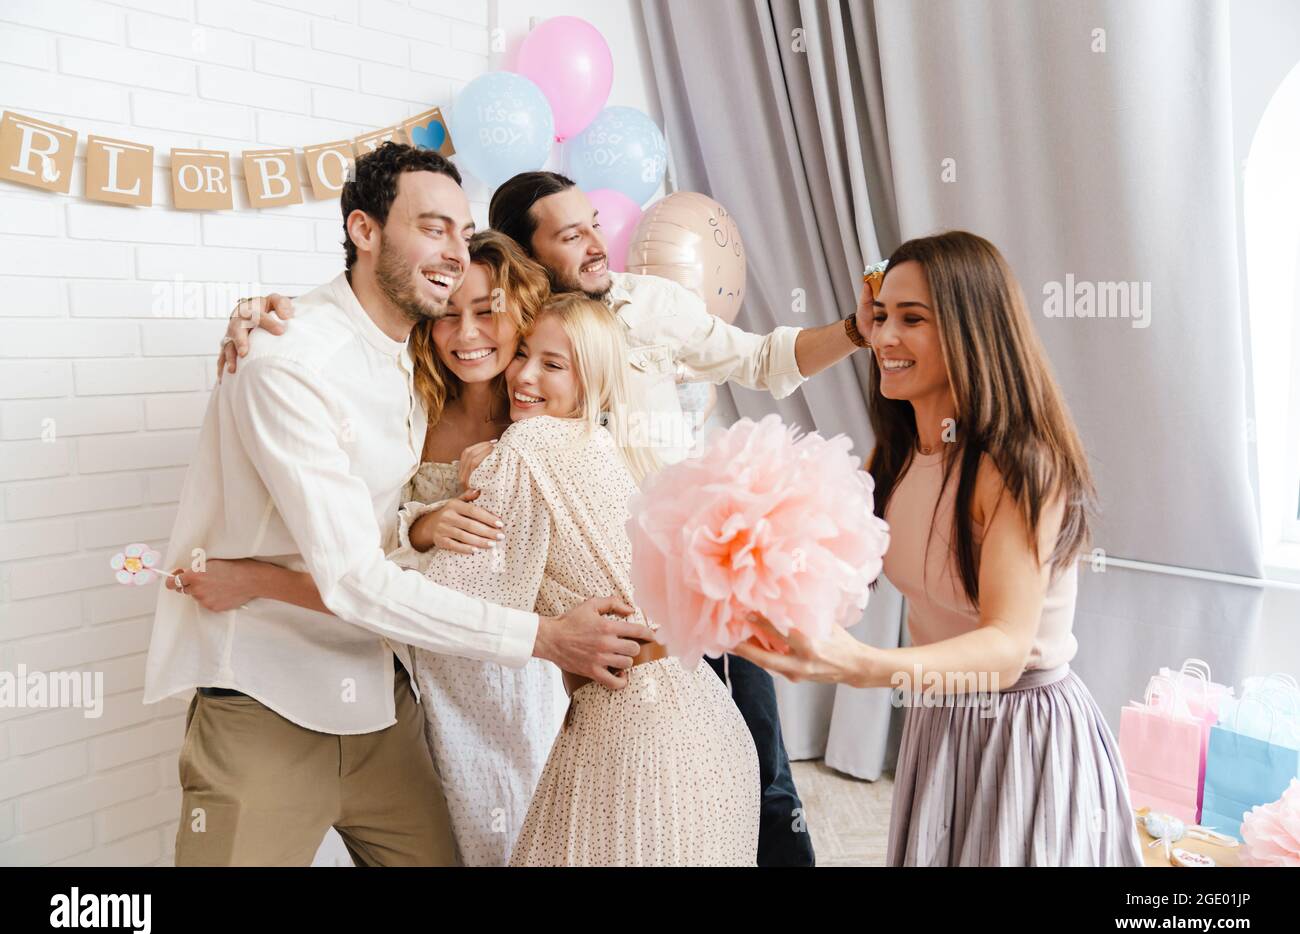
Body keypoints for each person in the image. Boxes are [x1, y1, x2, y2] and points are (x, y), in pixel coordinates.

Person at [219, 171, 878, 866]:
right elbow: (377, 530)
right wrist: (274, 320)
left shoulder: (566, 380)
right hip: (480, 665)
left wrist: (259, 580)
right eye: (572, 233)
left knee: (744, 794)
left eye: (594, 222)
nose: (598, 244)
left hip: (605, 639)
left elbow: (757, 357)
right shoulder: (421, 392)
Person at [146, 142, 652, 867]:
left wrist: (415, 528)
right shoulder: (288, 362)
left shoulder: (419, 358)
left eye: (461, 227)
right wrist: (543, 635)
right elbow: (356, 576)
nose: (454, 248)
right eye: (432, 225)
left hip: (387, 697)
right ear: (365, 230)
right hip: (267, 696)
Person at [190, 293, 761, 866]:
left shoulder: (529, 444)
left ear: (593, 381)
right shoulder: (606, 445)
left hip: (636, 735)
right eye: (526, 356)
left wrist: (257, 580)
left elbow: (422, 609)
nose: (525, 374)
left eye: (553, 364)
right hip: (701, 722)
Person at [734, 231, 1144, 866]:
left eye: (912, 319)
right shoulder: (898, 455)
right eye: (881, 317)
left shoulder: (1018, 465)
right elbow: (828, 575)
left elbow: (1006, 648)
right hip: (941, 718)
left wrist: (863, 666)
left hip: (1019, 730)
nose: (884, 339)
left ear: (971, 330)